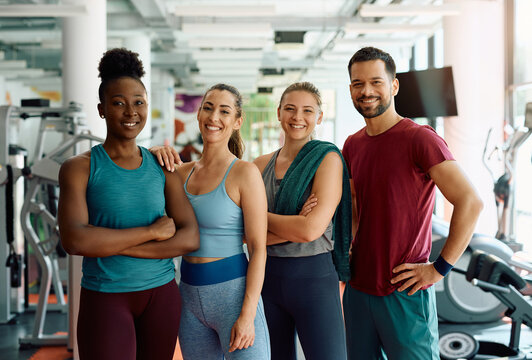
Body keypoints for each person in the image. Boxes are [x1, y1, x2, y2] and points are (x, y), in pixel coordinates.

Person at [341, 46, 484, 360]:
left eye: (376, 82)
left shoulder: (420, 138)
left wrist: (439, 269)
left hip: (403, 291)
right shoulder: (352, 145)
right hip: (358, 288)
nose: (366, 91)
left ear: (393, 86)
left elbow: (470, 201)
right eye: (357, 84)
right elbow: (354, 204)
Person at [57, 48, 199, 360]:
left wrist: (108, 242)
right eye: (119, 103)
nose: (130, 111)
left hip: (161, 295)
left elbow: (189, 238)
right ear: (102, 109)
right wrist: (151, 231)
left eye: (138, 102)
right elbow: (75, 239)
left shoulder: (162, 166)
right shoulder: (78, 168)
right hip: (105, 297)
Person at [151, 83, 271, 359]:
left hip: (234, 296)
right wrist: (156, 151)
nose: (214, 117)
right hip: (188, 296)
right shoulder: (179, 173)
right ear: (199, 114)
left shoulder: (244, 173)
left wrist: (248, 313)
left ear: (237, 122)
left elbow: (258, 248)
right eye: (208, 107)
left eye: (224, 111)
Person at [253, 82, 350, 360]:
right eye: (290, 109)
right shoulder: (260, 166)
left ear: (319, 117)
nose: (298, 117)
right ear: (279, 113)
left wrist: (260, 219)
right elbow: (244, 232)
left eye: (308, 110)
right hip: (266, 278)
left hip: (314, 279)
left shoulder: (327, 159)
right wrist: (293, 224)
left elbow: (310, 230)